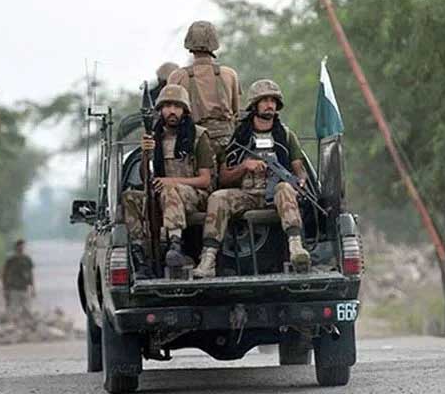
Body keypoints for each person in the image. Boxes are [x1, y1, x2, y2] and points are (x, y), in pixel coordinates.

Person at [193, 79, 311, 278]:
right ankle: (208, 259)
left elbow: (299, 169)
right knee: (218, 198)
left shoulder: (286, 136)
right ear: (254, 105)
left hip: (275, 195)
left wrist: (299, 181)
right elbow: (224, 177)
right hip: (247, 195)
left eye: (273, 101)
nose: (269, 105)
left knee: (285, 188)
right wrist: (244, 166)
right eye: (264, 100)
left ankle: (296, 249)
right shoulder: (240, 137)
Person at [122, 84, 214, 278]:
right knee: (130, 197)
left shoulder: (198, 136)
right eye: (167, 106)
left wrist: (171, 181)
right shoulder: (154, 137)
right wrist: (147, 153)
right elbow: (147, 178)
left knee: (170, 190)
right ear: (160, 110)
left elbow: (205, 180)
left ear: (185, 110)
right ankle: (140, 255)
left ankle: (175, 244)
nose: (172, 111)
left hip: (194, 196)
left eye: (177, 106)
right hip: (162, 195)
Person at [168, 20, 241, 156]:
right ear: (214, 43)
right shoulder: (229, 74)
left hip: (192, 141)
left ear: (189, 43)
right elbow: (236, 111)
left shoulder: (177, 76)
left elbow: (168, 113)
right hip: (226, 142)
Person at [1, 239, 35, 322]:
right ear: (16, 248)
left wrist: (33, 288)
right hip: (14, 288)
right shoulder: (11, 260)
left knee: (27, 310)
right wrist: (5, 289)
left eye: (23, 246)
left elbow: (31, 274)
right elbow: (4, 274)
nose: (21, 248)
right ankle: (13, 326)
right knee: (13, 310)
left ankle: (24, 327)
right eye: (20, 246)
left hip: (24, 288)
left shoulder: (27, 259)